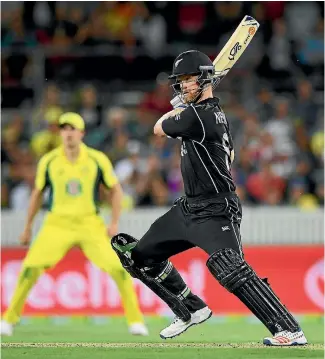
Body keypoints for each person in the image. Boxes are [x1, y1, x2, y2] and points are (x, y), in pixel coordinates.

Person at [111, 50, 308, 346]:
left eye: (188, 81)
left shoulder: (199, 117)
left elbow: (157, 127)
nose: (182, 88)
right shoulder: (206, 114)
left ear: (205, 79)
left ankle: (289, 329)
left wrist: (177, 107)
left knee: (229, 267)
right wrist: (183, 104)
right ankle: (191, 308)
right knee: (136, 257)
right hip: (189, 209)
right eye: (180, 83)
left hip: (216, 210)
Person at [1, 112, 148, 337]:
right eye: (64, 129)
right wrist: (27, 227)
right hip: (57, 224)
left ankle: (136, 321)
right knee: (30, 268)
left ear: (82, 133)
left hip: (90, 222)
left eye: (72, 129)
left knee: (119, 268)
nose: (68, 133)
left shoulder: (97, 159)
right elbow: (37, 195)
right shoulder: (49, 160)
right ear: (60, 132)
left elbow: (115, 190)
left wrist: (114, 221)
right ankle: (9, 319)